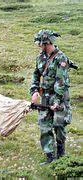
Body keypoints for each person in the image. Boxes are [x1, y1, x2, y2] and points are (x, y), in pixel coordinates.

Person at [30, 29, 72, 165]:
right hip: (45, 96)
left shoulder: (61, 58)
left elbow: (61, 81)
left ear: (46, 42)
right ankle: (49, 157)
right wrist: (35, 90)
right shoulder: (40, 57)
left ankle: (61, 155)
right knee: (44, 126)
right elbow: (36, 74)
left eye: (40, 43)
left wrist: (57, 101)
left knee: (59, 125)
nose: (38, 45)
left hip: (59, 96)